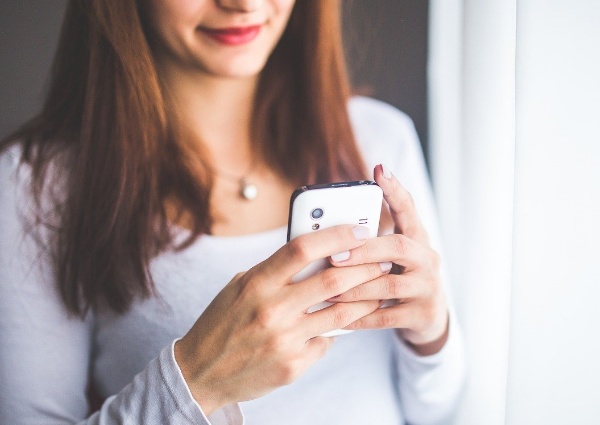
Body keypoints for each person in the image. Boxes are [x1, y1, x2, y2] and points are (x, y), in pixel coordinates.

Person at [0, 0, 466, 424]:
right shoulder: (38, 183)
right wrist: (198, 381)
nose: (243, 4)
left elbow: (440, 411)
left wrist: (432, 334)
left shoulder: (380, 138)